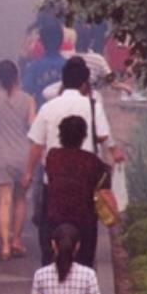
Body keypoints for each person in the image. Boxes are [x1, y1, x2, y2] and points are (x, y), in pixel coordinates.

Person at [21, 57, 125, 265]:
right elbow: (104, 136)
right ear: (85, 84)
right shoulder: (92, 106)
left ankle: (51, 267)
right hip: (84, 186)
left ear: (63, 80)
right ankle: (84, 270)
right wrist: (115, 152)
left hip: (54, 183)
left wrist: (29, 173)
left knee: (49, 229)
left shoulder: (48, 108)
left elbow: (36, 146)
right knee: (86, 234)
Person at [45, 116, 120, 266]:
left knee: (52, 262)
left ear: (60, 135)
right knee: (83, 264)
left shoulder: (52, 156)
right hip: (84, 221)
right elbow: (105, 192)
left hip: (55, 217)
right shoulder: (93, 162)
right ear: (84, 136)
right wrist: (116, 218)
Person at [0, 59, 36, 260]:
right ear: (17, 76)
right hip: (22, 154)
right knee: (20, 199)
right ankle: (16, 240)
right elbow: (32, 124)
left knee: (3, 201)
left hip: (0, 154)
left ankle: (5, 246)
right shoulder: (29, 100)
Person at [22, 19, 67, 109]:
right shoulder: (68, 65)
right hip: (65, 114)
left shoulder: (34, 68)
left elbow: (26, 92)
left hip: (43, 115)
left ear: (41, 41)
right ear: (61, 40)